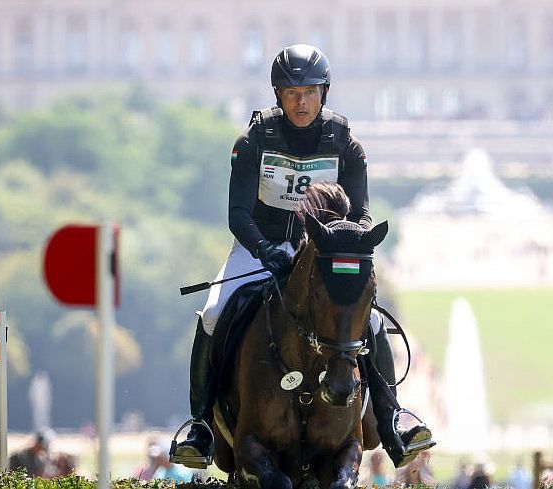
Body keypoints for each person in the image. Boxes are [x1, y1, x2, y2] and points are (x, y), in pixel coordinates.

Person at [170, 43, 434, 470]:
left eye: (309, 92)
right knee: (213, 312)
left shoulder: (345, 142)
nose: (301, 101)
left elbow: (362, 213)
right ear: (278, 96)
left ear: (323, 93)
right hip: (260, 247)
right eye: (291, 93)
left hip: (323, 251)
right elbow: (238, 213)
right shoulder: (254, 140)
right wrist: (264, 249)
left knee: (371, 320)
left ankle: (392, 419)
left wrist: (342, 242)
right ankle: (200, 426)